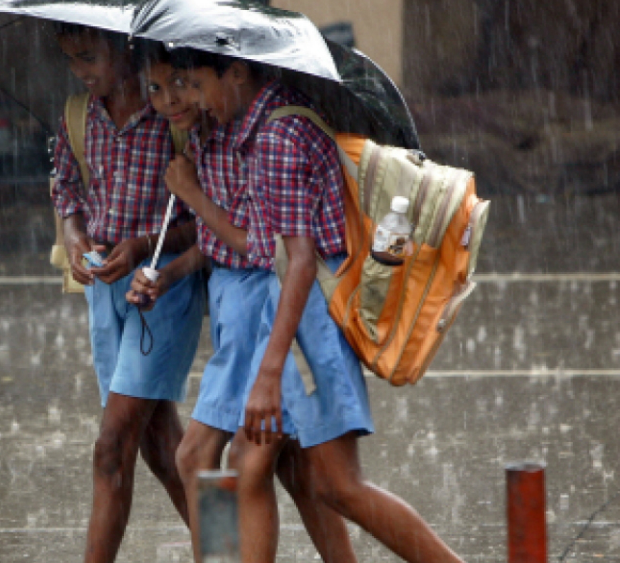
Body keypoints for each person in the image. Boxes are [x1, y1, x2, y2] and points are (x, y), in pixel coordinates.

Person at [160, 45, 464, 563]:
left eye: (195, 84)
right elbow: (273, 250)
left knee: (336, 485)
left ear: (235, 72)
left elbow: (296, 261)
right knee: (245, 463)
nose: (192, 99)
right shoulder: (263, 125)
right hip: (290, 315)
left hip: (309, 325)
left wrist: (269, 373)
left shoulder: (277, 136)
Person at [128, 43, 356, 563]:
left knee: (210, 456)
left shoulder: (258, 132)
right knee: (288, 469)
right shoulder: (210, 131)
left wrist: (192, 196)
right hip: (235, 308)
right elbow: (214, 247)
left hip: (263, 307)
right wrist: (167, 274)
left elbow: (256, 246)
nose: (176, 100)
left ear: (227, 74)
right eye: (161, 89)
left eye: (186, 84)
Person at [49, 23, 205, 563]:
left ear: (125, 49)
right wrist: (74, 237)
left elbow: (208, 218)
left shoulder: (172, 116)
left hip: (160, 292)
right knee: (163, 447)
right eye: (72, 61)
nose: (83, 72)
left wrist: (143, 247)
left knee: (111, 446)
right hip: (105, 291)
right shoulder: (79, 114)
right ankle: (229, 547)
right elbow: (66, 186)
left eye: (90, 56)